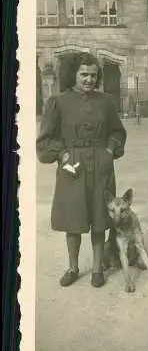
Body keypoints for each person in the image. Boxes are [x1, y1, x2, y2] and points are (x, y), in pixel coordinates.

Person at [36, 53, 127, 288]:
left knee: (99, 218)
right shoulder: (58, 102)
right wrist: (62, 154)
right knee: (73, 220)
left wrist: (109, 150)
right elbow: (45, 140)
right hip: (71, 166)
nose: (89, 79)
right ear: (74, 75)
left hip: (101, 165)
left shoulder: (106, 101)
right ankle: (73, 267)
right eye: (84, 74)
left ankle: (97, 269)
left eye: (93, 75)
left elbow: (118, 132)